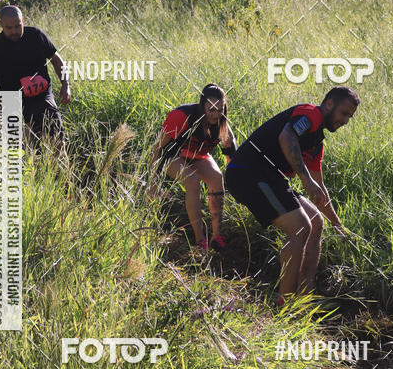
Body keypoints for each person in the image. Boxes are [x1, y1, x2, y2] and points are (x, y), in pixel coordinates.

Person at [225, 86, 359, 303]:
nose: (345, 121)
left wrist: (338, 226)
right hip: (247, 173)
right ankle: (285, 302)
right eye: (344, 113)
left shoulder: (317, 143)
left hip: (269, 177)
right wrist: (305, 179)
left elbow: (319, 189)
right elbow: (287, 136)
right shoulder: (310, 114)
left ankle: (304, 297)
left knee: (316, 221)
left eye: (350, 117)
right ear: (329, 104)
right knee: (300, 227)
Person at [149, 84, 237, 251]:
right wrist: (153, 182)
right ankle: (200, 239)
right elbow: (157, 148)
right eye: (210, 109)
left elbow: (231, 160)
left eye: (219, 110)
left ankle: (217, 236)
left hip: (197, 155)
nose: (215, 114)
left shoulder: (223, 125)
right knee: (192, 180)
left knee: (217, 179)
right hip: (172, 156)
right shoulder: (183, 115)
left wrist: (237, 184)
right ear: (202, 105)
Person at [0, 5, 71, 161]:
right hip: (11, 100)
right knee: (21, 155)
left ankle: (64, 182)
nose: (14, 31)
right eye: (9, 28)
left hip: (41, 96)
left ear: (23, 20)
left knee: (58, 145)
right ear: (1, 24)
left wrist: (65, 85)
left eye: (18, 26)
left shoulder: (36, 36)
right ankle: (31, 180)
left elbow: (57, 61)